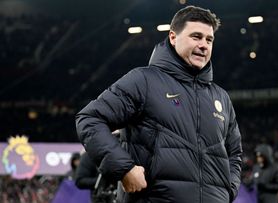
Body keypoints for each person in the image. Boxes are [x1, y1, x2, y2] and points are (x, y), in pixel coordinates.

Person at [76, 5, 242, 203]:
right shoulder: (144, 81)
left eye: (209, 39)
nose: (204, 45)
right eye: (196, 37)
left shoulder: (221, 97)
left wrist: (228, 190)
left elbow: (234, 152)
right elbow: (90, 119)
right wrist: (124, 169)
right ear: (173, 37)